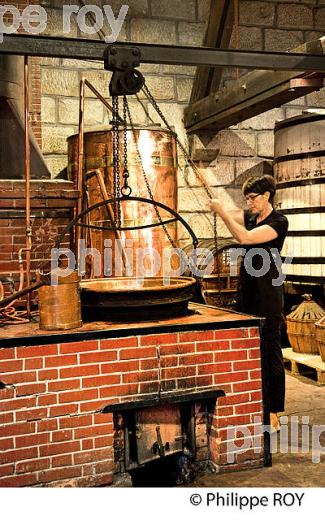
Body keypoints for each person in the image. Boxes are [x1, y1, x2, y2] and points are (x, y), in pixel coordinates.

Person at [210, 175, 288, 433]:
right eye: (247, 199)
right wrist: (217, 202)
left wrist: (221, 212)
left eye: (252, 198)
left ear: (267, 196)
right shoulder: (253, 216)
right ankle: (254, 404)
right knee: (250, 347)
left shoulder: (279, 221)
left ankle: (274, 411)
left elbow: (244, 238)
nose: (249, 203)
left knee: (270, 348)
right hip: (249, 291)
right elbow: (232, 211)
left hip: (268, 292)